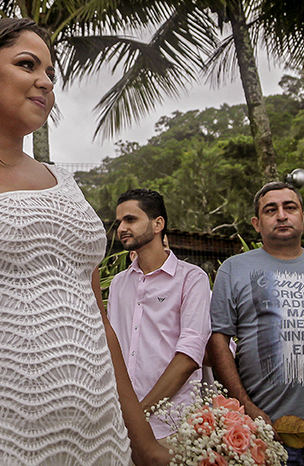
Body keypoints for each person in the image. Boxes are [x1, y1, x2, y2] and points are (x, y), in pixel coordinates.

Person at [0, 18, 170, 466]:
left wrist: (142, 440)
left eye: (51, 72)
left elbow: (98, 319)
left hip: (98, 430)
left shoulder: (64, 182)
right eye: (27, 65)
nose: (45, 82)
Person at [208, 182, 304, 466]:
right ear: (257, 223)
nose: (281, 215)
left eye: (289, 208)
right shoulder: (233, 269)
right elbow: (218, 340)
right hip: (268, 432)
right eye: (271, 210)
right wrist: (246, 408)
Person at [108, 188, 211, 441]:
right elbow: (112, 350)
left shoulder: (191, 278)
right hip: (118, 428)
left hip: (174, 425)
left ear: (158, 224)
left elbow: (190, 356)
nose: (121, 228)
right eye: (119, 222)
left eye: (130, 219)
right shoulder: (118, 283)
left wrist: (139, 414)